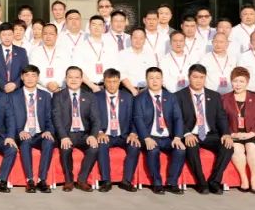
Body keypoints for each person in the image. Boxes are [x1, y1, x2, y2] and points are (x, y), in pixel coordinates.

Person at [175, 64, 233, 195]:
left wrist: (226, 133)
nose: (198, 80)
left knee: (228, 146)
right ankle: (201, 183)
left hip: (210, 134)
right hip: (191, 134)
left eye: (202, 77)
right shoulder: (179, 96)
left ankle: (214, 181)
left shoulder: (214, 96)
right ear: (189, 77)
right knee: (191, 146)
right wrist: (187, 133)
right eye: (195, 77)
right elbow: (177, 118)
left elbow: (221, 117)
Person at [132, 66, 185, 195]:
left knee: (180, 150)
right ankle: (157, 183)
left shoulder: (171, 97)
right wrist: (146, 138)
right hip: (150, 136)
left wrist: (177, 137)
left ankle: (172, 183)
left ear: (162, 80)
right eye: (151, 78)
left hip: (168, 137)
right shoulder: (140, 98)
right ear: (146, 80)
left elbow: (178, 117)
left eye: (157, 78)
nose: (154, 81)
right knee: (153, 150)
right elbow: (138, 119)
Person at [51, 66, 101, 192]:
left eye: (77, 77)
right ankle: (69, 180)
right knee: (65, 148)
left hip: (84, 134)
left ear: (82, 79)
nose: (73, 80)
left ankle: (82, 180)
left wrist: (93, 135)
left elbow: (96, 119)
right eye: (70, 77)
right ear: (65, 79)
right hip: (67, 134)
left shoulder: (90, 96)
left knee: (94, 148)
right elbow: (57, 119)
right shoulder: (58, 96)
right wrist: (63, 136)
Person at [220, 66, 255, 193]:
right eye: (235, 81)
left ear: (247, 82)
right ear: (231, 82)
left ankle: (254, 178)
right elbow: (221, 120)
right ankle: (244, 178)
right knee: (236, 149)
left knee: (251, 147)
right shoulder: (224, 99)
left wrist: (251, 133)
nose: (238, 84)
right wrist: (231, 133)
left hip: (252, 134)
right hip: (234, 134)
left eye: (241, 81)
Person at [9, 64, 55, 192]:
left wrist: (48, 131)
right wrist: (19, 131)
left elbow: (50, 117)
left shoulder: (46, 96)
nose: (30, 78)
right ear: (22, 77)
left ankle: (42, 180)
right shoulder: (13, 96)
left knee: (49, 141)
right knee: (25, 143)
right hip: (23, 133)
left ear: (38, 78)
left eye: (33, 75)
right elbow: (10, 119)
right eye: (27, 75)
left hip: (40, 133)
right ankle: (30, 180)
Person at [94, 68, 139, 192]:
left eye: (115, 81)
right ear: (104, 82)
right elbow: (92, 117)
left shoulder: (128, 97)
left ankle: (126, 181)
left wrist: (133, 133)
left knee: (135, 146)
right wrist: (99, 132)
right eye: (109, 82)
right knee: (101, 145)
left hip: (124, 135)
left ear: (119, 82)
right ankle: (106, 181)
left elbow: (135, 118)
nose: (112, 85)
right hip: (106, 134)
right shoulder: (96, 97)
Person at [0, 23, 29, 93]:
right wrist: (3, 85)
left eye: (9, 35)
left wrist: (15, 84)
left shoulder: (21, 52)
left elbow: (25, 71)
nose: (7, 38)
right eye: (4, 35)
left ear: (13, 35)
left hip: (17, 91)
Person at [78, 15, 116, 92]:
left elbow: (115, 66)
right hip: (87, 87)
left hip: (108, 87)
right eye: (94, 24)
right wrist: (92, 86)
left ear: (104, 28)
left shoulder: (111, 45)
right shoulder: (81, 46)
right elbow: (78, 69)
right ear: (89, 27)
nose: (97, 27)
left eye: (100, 25)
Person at [31, 23, 68, 93]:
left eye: (51, 34)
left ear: (56, 36)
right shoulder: (35, 51)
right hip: (41, 90)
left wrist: (58, 84)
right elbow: (34, 71)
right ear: (42, 35)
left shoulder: (64, 51)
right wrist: (46, 84)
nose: (48, 36)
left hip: (60, 89)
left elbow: (67, 70)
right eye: (45, 34)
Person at [118, 28, 156, 96]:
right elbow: (122, 74)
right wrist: (132, 89)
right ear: (131, 38)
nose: (138, 41)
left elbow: (153, 73)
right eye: (135, 38)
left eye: (141, 38)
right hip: (128, 91)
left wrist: (147, 89)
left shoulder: (150, 55)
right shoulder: (122, 54)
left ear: (145, 40)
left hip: (147, 91)